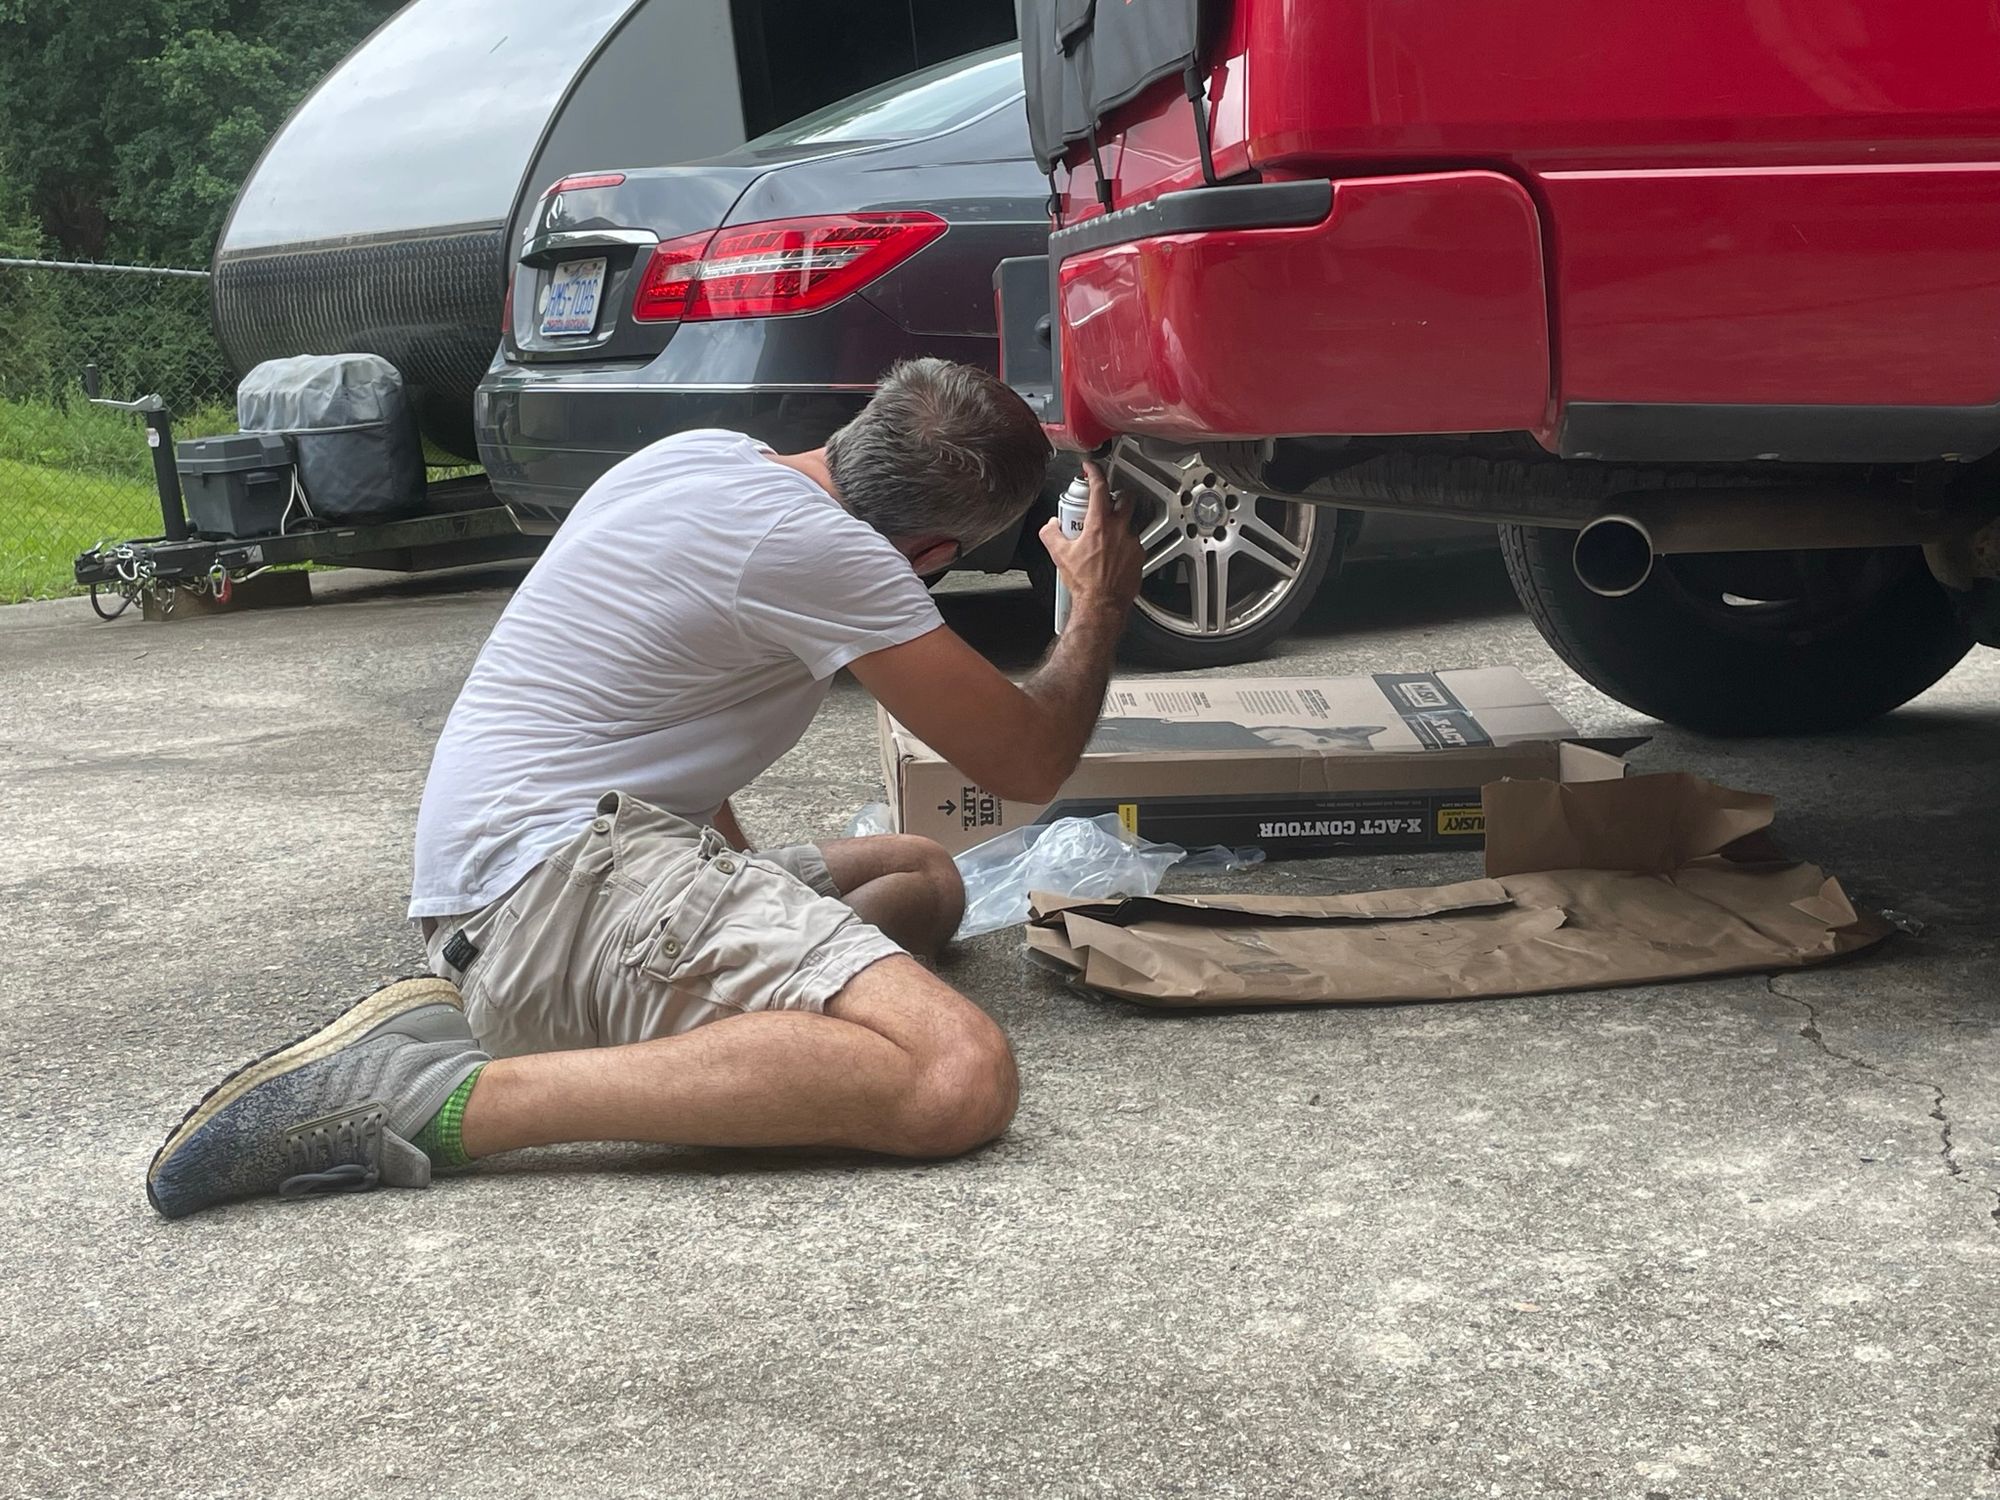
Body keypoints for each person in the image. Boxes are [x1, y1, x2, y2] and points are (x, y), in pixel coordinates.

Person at [146, 358, 1144, 1218]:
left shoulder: (701, 456)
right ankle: (427, 1098)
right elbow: (1026, 759)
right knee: (954, 1074)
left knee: (922, 876)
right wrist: (1096, 604)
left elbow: (662, 708)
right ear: (931, 553)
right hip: (556, 899)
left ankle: (710, 1019)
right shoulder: (836, 554)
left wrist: (740, 905)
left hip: (527, 873)